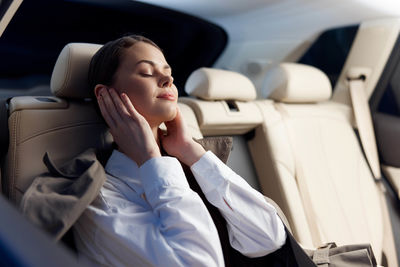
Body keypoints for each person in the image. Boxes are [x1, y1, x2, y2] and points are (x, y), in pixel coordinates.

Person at [72, 35, 287, 267]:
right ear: (105, 95)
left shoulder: (187, 162)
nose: (167, 79)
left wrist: (190, 150)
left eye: (168, 71)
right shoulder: (100, 199)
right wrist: (149, 158)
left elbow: (269, 237)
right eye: (146, 72)